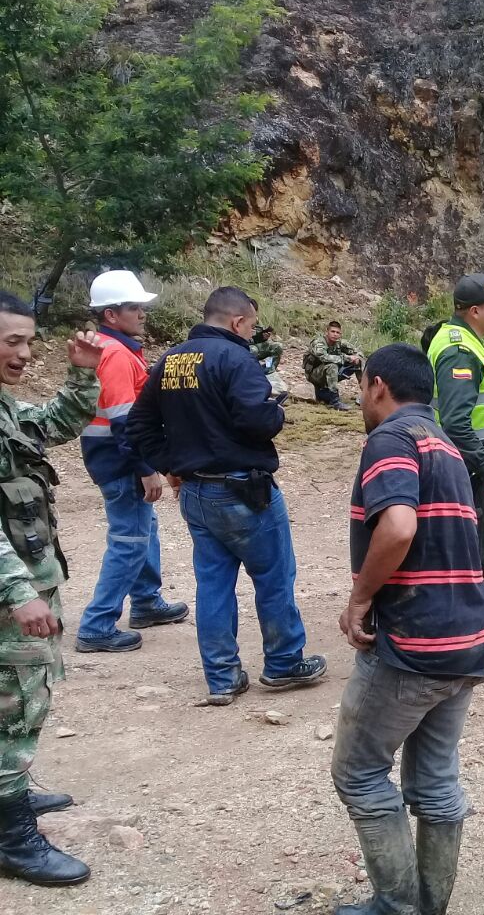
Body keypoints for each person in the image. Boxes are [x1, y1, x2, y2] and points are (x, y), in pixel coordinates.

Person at [331, 344, 484, 915]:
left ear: (378, 385)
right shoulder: (445, 444)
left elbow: (399, 527)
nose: (359, 397)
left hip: (413, 643)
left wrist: (359, 598)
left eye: (360, 385)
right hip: (466, 640)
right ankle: (429, 906)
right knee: (436, 782)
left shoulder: (391, 439)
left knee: (358, 772)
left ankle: (397, 906)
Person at [128, 287, 326, 705]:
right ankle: (283, 663)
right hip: (244, 492)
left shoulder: (170, 360)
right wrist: (276, 411)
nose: (253, 333)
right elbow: (257, 421)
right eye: (252, 325)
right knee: (274, 578)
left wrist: (171, 465)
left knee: (213, 584)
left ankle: (222, 677)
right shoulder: (237, 359)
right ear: (238, 322)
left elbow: (139, 424)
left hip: (196, 491)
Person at [0, 293, 104, 886]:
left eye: (28, 341)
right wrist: (19, 591)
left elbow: (54, 424)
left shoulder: (5, 408)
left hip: (21, 582)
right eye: (11, 341)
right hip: (8, 591)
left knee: (19, 698)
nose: (24, 352)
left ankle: (8, 793)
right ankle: (11, 837)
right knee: (12, 704)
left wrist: (82, 375)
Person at [75, 271, 188, 653]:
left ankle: (146, 602)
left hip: (112, 458)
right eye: (134, 307)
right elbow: (124, 423)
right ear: (111, 314)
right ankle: (97, 625)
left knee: (144, 529)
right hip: (120, 462)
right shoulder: (116, 355)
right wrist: (146, 470)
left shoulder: (115, 349)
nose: (142, 314)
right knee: (130, 540)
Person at [422, 274, 484, 662]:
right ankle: (469, 634)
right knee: (469, 554)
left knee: (461, 550)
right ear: (474, 311)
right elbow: (457, 423)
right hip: (466, 469)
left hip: (463, 466)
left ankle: (460, 625)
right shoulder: (460, 351)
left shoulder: (461, 340)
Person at [304, 320, 363, 411]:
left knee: (357, 362)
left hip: (330, 373)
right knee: (332, 366)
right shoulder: (318, 343)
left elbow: (358, 352)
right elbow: (324, 357)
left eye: (337, 332)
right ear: (327, 332)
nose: (335, 334)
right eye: (332, 331)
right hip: (314, 375)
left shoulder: (340, 343)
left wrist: (356, 358)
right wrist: (346, 358)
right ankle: (334, 401)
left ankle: (366, 392)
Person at [248, 301, 288, 397]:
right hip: (246, 348)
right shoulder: (241, 321)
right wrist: (256, 338)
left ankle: (268, 368)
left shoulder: (257, 321)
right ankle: (250, 376)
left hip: (257, 346)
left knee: (277, 347)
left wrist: (263, 337)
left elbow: (259, 337)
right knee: (253, 350)